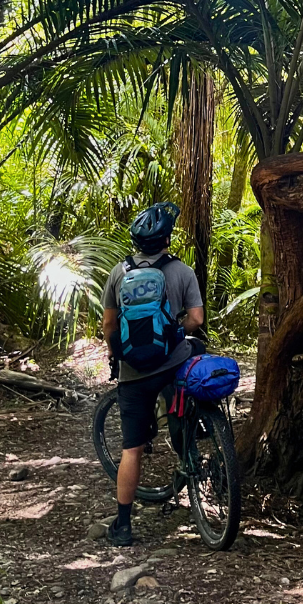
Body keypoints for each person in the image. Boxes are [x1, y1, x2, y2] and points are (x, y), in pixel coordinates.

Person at [101, 201, 204, 546]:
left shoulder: (118, 273)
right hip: (173, 363)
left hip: (134, 373)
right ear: (167, 240)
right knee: (188, 386)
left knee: (131, 449)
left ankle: (123, 526)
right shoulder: (182, 271)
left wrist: (116, 352)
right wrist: (175, 331)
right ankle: (194, 441)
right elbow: (197, 319)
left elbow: (109, 325)